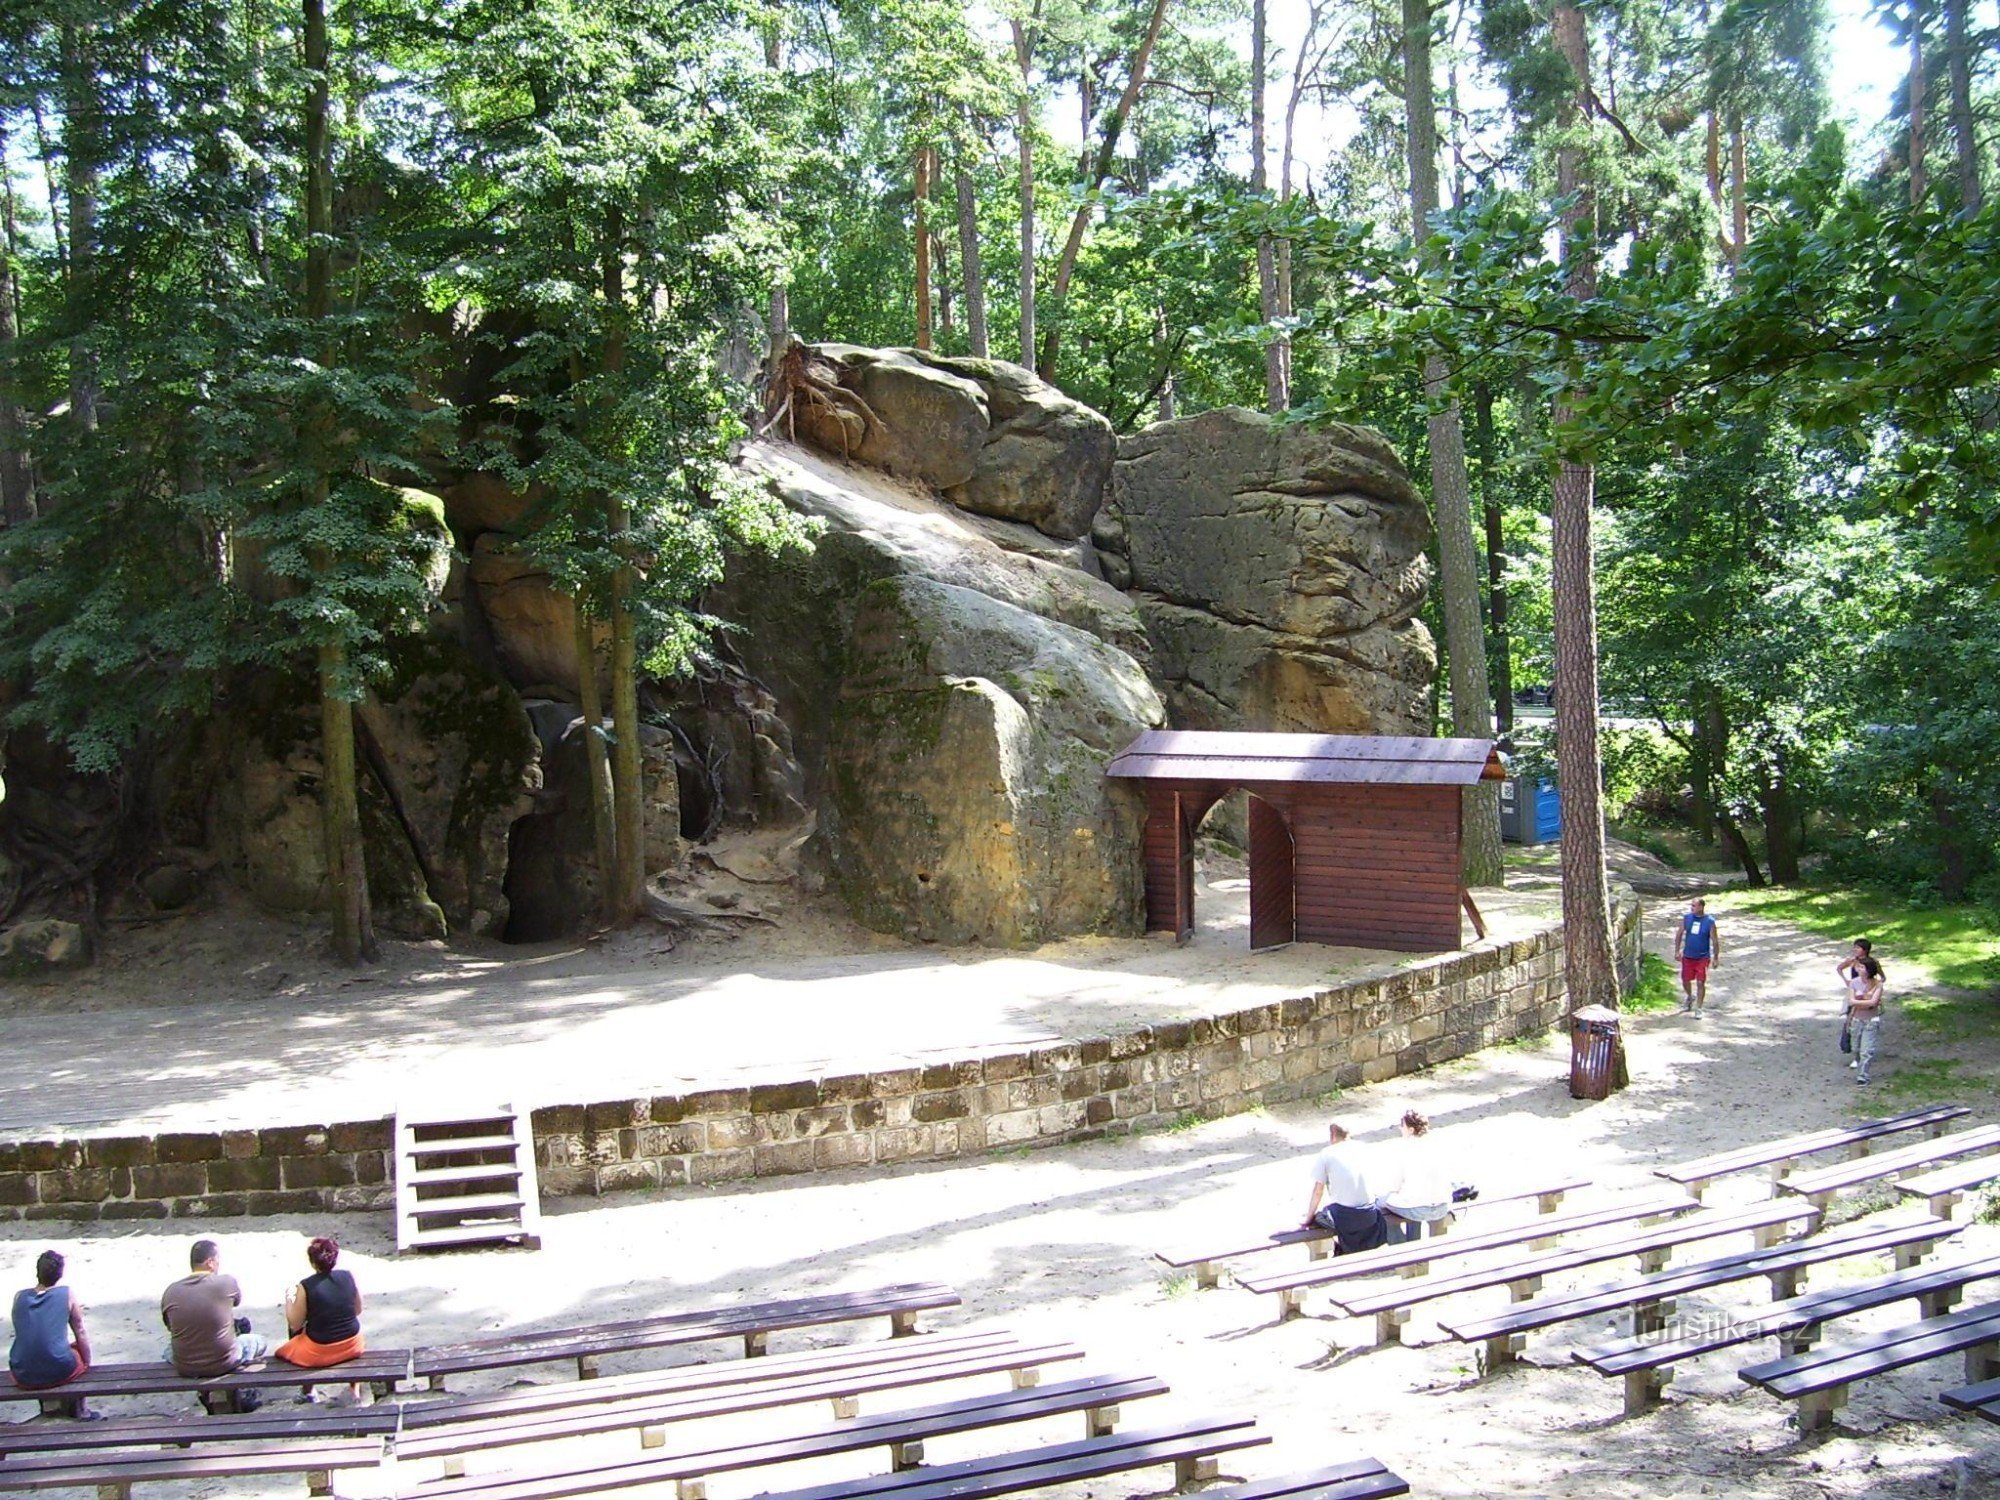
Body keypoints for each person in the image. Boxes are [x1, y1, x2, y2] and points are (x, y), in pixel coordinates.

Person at [161, 1238, 270, 1382]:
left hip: (185, 1365)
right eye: (218, 1260)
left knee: (167, 1351)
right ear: (210, 1262)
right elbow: (236, 1301)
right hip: (224, 1362)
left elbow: (171, 1327)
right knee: (259, 1341)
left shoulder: (171, 1291)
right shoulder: (227, 1282)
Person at [8, 1250, 99, 1419]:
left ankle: (48, 1407)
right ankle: (80, 1409)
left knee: (40, 1351)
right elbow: (80, 1331)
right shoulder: (66, 1294)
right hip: (58, 1369)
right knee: (73, 1352)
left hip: (22, 1372)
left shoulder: (19, 1297)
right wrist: (86, 1362)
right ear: (60, 1273)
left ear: (37, 1272)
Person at [275, 1237, 364, 1396]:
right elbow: (358, 1310)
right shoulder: (348, 1276)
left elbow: (295, 1324)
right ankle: (354, 1390)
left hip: (318, 1352)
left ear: (313, 1262)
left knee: (290, 1341)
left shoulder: (305, 1286)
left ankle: (308, 1390)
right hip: (353, 1345)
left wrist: (290, 1298)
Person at [1302, 1121, 1388, 1254]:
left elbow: (1318, 1191)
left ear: (1333, 1136)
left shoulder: (1327, 1153)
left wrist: (1308, 1218)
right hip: (1369, 1213)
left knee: (1319, 1218)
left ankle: (1337, 1249)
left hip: (1345, 1217)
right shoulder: (1364, 1148)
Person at [1379, 1111, 1455, 1245]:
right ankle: (1414, 1243)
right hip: (1442, 1205)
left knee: (1380, 1207)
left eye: (1402, 1126)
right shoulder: (1438, 1144)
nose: (1400, 1129)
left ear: (1411, 1129)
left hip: (1419, 1208)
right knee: (1411, 1199)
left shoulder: (1405, 1149)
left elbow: (1395, 1186)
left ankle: (1402, 1247)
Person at [1839, 940, 1886, 1085]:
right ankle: (1855, 1056)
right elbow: (1852, 1001)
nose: (1855, 950)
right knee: (1857, 1046)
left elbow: (1873, 1001)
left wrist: (1867, 997)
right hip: (1857, 1017)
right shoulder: (1853, 976)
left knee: (1867, 1049)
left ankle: (1863, 1075)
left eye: (1858, 948)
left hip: (1871, 1020)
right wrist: (1863, 999)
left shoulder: (1875, 975)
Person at [1674, 897, 1721, 1013]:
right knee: (1685, 979)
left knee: (1701, 982)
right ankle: (1689, 997)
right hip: (1688, 955)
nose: (1692, 908)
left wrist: (1715, 957)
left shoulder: (1709, 921)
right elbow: (1679, 934)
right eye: (1691, 905)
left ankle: (1699, 1007)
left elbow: (1715, 940)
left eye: (1694, 906)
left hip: (1702, 957)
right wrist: (1677, 950)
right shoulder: (1687, 918)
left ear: (1701, 907)